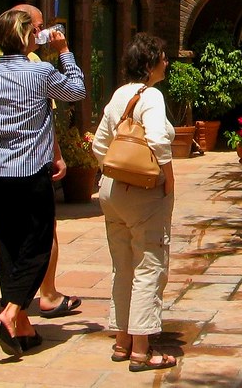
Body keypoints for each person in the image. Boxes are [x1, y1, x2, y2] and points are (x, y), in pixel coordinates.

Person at [0, 9, 86, 356]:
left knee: (8, 247)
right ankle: (11, 312)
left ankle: (24, 328)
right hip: (30, 176)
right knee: (38, 246)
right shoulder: (41, 72)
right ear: (28, 39)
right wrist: (64, 52)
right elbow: (76, 90)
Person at [91, 33, 178, 373]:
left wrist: (114, 171)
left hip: (111, 192)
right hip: (142, 193)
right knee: (149, 264)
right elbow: (157, 138)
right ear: (150, 63)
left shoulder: (118, 96)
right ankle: (142, 349)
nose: (167, 62)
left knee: (122, 264)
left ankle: (121, 339)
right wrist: (167, 177)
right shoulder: (152, 96)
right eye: (163, 57)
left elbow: (100, 145)